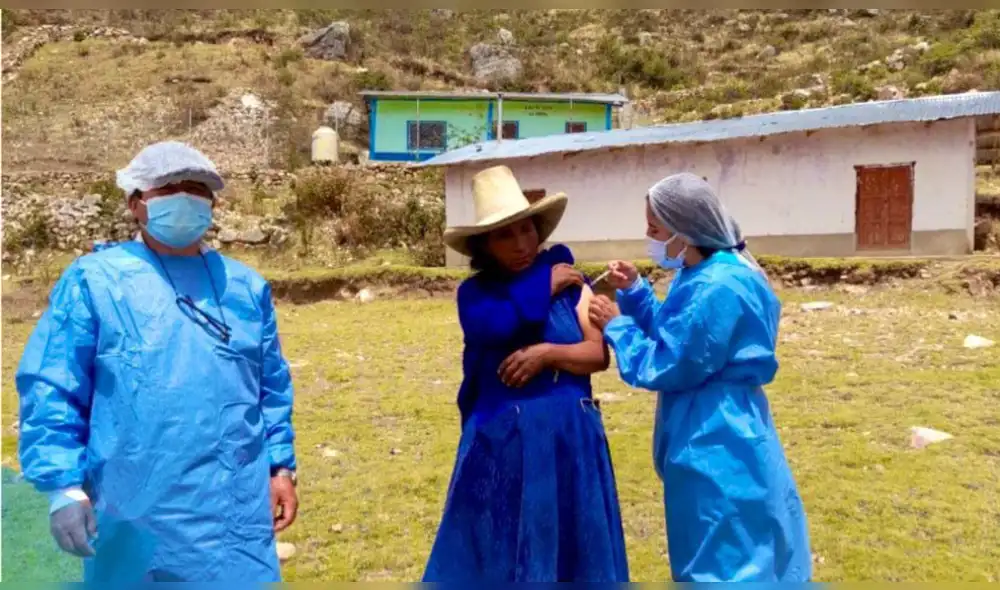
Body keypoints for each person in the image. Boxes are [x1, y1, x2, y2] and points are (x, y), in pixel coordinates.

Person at [16, 141, 298, 583]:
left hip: (235, 513)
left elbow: (271, 386)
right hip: (134, 509)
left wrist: (280, 467)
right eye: (168, 189)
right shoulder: (95, 282)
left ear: (213, 204)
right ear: (136, 204)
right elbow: (54, 384)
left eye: (197, 189)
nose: (184, 198)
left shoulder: (244, 287)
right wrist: (64, 487)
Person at [588, 172, 811, 582]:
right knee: (750, 546)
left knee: (721, 559)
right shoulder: (707, 272)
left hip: (714, 437)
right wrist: (635, 291)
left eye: (655, 228)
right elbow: (680, 331)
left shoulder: (717, 285)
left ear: (684, 229)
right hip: (731, 423)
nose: (649, 237)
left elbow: (672, 362)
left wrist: (617, 327)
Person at [423, 165, 629, 583]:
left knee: (574, 553)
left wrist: (547, 354)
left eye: (527, 230)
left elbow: (596, 354)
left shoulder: (572, 285)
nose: (521, 244)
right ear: (485, 245)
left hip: (570, 440)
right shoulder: (476, 296)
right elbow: (494, 327)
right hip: (504, 445)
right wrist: (541, 289)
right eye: (505, 236)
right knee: (501, 550)